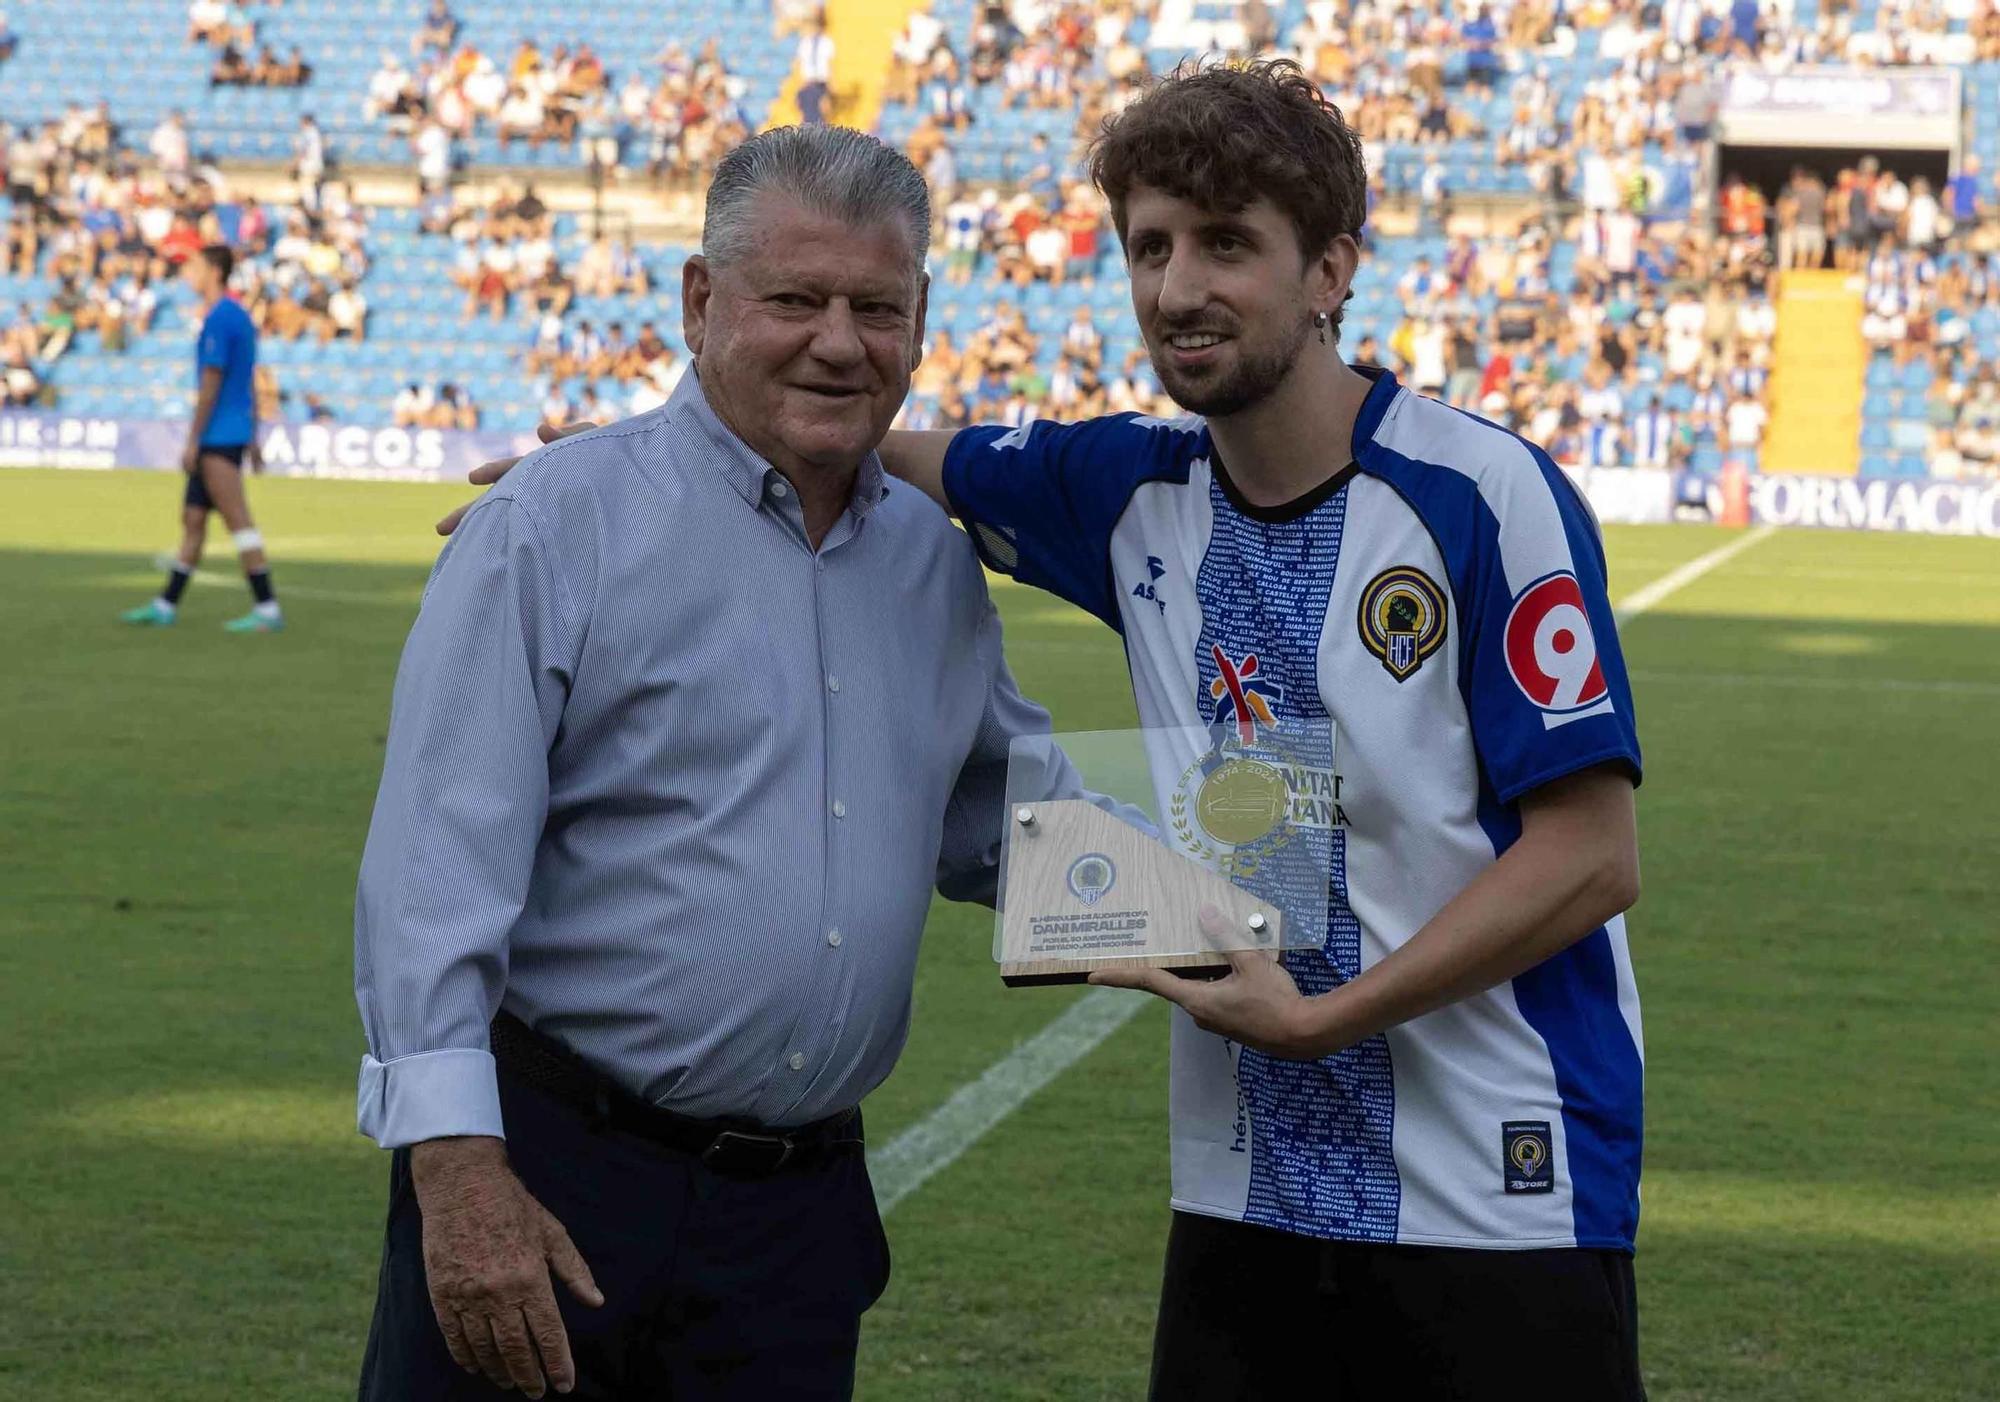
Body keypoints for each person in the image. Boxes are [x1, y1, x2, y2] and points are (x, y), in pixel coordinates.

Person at [451, 64, 1648, 1401]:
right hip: (1245, 1194)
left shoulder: (1482, 494)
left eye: (1230, 244)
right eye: (1151, 246)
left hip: (1505, 1191)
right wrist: (610, 472)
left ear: (1331, 270)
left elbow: (1592, 855)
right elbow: (884, 443)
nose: (1180, 285)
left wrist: (1328, 1017)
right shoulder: (1127, 489)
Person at [356, 125, 1076, 1401]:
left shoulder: (927, 559)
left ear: (921, 317)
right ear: (700, 300)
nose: (839, 341)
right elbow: (432, 876)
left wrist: (1260, 890)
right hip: (554, 1179)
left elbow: (1008, 827)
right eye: (793, 299)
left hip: (795, 1231)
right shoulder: (556, 523)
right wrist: (457, 1171)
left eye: (876, 306)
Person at [122, 245, 283, 633]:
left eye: (193, 266)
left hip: (218, 435)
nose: (188, 275)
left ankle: (267, 609)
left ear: (214, 270)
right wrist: (255, 435)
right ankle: (166, 604)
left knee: (238, 520)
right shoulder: (237, 316)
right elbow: (246, 378)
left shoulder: (220, 318)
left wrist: (193, 440)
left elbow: (212, 382)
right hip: (230, 430)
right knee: (193, 519)